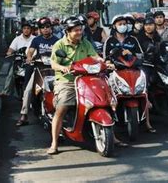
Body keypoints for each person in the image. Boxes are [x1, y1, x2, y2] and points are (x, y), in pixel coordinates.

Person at [47, 16, 125, 155]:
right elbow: (53, 63)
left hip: (87, 78)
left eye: (80, 30)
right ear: (68, 31)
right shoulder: (60, 44)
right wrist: (62, 67)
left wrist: (103, 61)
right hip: (67, 80)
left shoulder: (85, 43)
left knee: (108, 99)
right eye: (76, 30)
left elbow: (94, 56)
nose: (79, 33)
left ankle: (113, 135)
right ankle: (54, 142)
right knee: (62, 106)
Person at [16, 17, 59, 126]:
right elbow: (30, 52)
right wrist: (29, 58)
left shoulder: (57, 41)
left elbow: (61, 53)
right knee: (28, 90)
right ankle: (24, 115)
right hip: (39, 70)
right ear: (39, 29)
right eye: (42, 28)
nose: (45, 29)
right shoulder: (36, 40)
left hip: (54, 71)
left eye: (47, 27)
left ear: (51, 28)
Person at [0, 21, 35, 98]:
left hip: (31, 62)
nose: (26, 30)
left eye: (28, 28)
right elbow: (11, 49)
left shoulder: (35, 39)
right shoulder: (17, 39)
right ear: (22, 30)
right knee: (11, 74)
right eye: (24, 28)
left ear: (31, 30)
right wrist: (9, 53)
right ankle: (6, 92)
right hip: (19, 61)